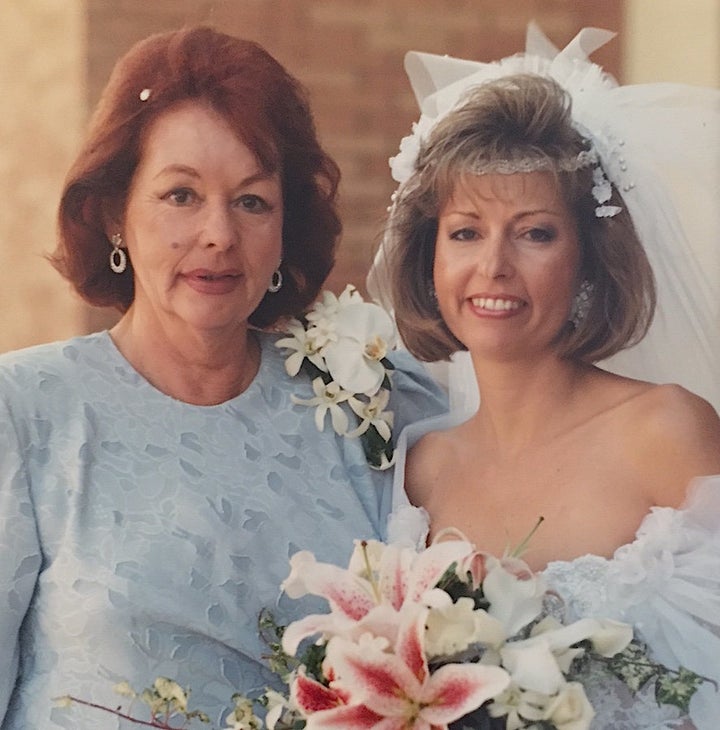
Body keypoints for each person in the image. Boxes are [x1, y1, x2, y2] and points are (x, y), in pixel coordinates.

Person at [0, 26, 447, 729]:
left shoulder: (361, 406)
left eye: (251, 201)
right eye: (181, 195)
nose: (218, 234)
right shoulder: (24, 409)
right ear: (116, 215)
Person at [371, 25, 720, 729]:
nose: (493, 267)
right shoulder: (420, 469)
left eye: (535, 233)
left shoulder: (666, 431)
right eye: (466, 231)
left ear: (589, 260)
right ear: (429, 259)